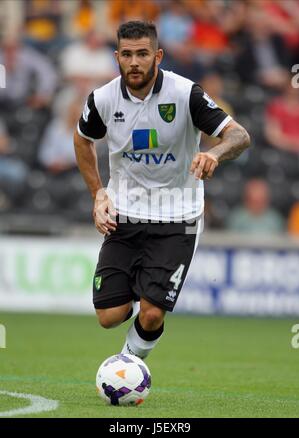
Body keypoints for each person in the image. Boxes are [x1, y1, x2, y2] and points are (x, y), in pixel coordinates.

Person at [74, 21, 250, 360]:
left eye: (142, 54)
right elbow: (82, 138)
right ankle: (142, 292)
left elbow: (239, 135)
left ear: (158, 55)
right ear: (117, 57)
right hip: (124, 212)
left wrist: (213, 153)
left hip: (177, 215)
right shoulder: (103, 98)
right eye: (127, 55)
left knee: (152, 313)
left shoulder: (186, 94)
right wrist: (98, 193)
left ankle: (127, 367)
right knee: (108, 316)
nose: (134, 62)